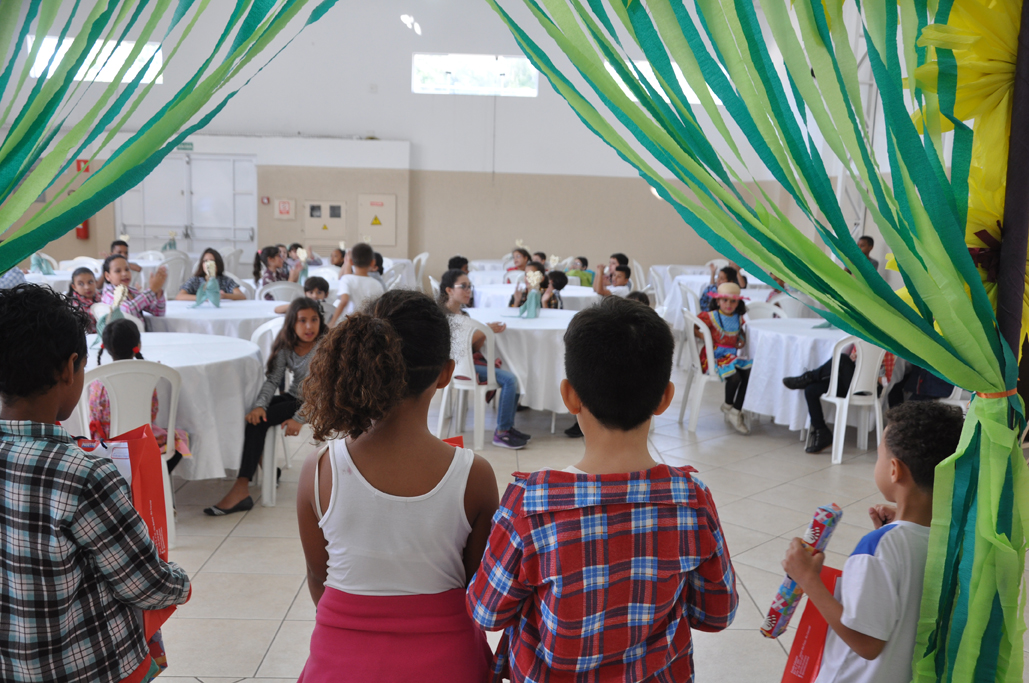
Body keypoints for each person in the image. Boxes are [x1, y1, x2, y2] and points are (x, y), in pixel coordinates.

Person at [467, 297, 737, 682]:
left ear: (569, 395)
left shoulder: (531, 504)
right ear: (665, 398)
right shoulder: (691, 499)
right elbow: (716, 613)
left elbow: (487, 612)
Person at [295, 290, 498, 682]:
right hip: (448, 663)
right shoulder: (474, 475)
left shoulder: (319, 469)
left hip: (340, 663)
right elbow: (477, 587)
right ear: (446, 373)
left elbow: (319, 579)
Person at [0, 284, 190, 683]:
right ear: (69, 368)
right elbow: (145, 585)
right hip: (87, 667)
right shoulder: (84, 474)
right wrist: (181, 584)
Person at [783, 401, 964, 683]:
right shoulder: (951, 539)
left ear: (894, 469)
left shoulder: (878, 547)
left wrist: (807, 578)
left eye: (879, 454)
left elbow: (866, 643)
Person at [205, 298, 326, 515]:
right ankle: (268, 470)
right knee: (253, 415)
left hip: (317, 403)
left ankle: (242, 488)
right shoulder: (287, 346)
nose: (309, 326)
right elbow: (272, 381)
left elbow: (323, 390)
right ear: (292, 323)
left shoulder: (324, 347)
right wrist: (260, 405)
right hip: (294, 397)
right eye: (302, 320)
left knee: (259, 422)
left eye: (314, 320)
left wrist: (300, 418)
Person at [440, 269, 532, 448]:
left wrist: (484, 332)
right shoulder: (444, 316)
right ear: (449, 290)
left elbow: (473, 348)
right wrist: (484, 330)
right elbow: (454, 346)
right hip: (456, 366)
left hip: (469, 361)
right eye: (463, 286)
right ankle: (502, 433)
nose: (468, 291)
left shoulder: (464, 315)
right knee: (510, 379)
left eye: (470, 286)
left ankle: (508, 426)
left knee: (515, 371)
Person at [89, 319, 191, 472]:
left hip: (103, 446)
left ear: (106, 348)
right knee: (181, 437)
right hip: (140, 444)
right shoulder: (147, 377)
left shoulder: (97, 379)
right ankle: (153, 478)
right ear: (138, 345)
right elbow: (152, 414)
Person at [696, 282, 752, 435]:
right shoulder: (711, 316)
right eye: (725, 300)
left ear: (738, 303)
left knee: (749, 373)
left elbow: (740, 332)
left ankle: (735, 410)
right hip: (713, 357)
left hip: (731, 356)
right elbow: (694, 325)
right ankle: (728, 405)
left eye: (733, 301)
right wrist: (704, 336)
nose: (729, 304)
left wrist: (741, 339)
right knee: (735, 377)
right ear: (718, 301)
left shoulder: (738, 318)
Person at [328, 242, 385, 327]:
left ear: (351, 262)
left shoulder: (346, 279)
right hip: (368, 325)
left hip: (348, 323)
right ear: (372, 262)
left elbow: (344, 301)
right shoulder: (377, 284)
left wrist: (332, 322)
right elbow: (379, 307)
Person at [100, 254, 167, 318]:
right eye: (118, 271)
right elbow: (129, 310)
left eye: (127, 269)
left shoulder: (133, 291)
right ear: (107, 276)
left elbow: (158, 313)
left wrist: (158, 291)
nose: (124, 273)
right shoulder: (108, 294)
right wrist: (152, 289)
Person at [176, 248, 246, 301]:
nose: (208, 264)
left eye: (212, 261)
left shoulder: (225, 281)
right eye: (205, 261)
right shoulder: (195, 280)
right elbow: (179, 296)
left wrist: (224, 296)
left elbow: (241, 296)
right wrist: (204, 297)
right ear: (202, 264)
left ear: (218, 264)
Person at [67, 266, 101, 333]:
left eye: (90, 282)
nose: (87, 287)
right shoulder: (73, 305)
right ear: (74, 287)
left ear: (96, 283)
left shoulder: (101, 297)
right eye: (81, 284)